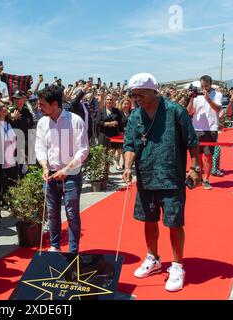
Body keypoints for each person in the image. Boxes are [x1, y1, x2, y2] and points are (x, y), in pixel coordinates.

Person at [123, 73, 201, 292]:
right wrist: (128, 167)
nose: (136, 98)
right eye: (133, 94)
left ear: (153, 91)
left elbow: (191, 141)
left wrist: (195, 167)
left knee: (174, 222)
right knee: (148, 220)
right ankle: (153, 258)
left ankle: (177, 266)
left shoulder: (175, 111)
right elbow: (129, 144)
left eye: (140, 93)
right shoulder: (135, 115)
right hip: (146, 177)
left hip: (171, 177)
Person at [35, 85, 90, 254]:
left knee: (72, 214)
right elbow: (40, 147)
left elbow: (83, 150)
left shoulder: (75, 121)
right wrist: (44, 166)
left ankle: (73, 251)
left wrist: (66, 170)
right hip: (50, 175)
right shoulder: (42, 122)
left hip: (71, 175)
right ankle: (55, 246)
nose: (39, 107)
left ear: (55, 104)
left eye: (42, 104)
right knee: (52, 213)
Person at [187, 75, 222, 190]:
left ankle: (206, 179)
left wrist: (208, 99)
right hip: (196, 129)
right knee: (198, 156)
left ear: (210, 84)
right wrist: (192, 98)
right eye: (202, 86)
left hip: (211, 129)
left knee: (208, 156)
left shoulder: (218, 95)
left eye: (206, 86)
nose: (204, 88)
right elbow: (189, 111)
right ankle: (200, 177)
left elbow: (217, 109)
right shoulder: (196, 96)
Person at [95, 93, 123, 170]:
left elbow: (120, 123)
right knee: (103, 153)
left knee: (111, 153)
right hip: (103, 134)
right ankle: (104, 170)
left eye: (111, 99)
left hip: (113, 135)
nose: (109, 101)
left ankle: (107, 170)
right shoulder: (101, 110)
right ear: (105, 101)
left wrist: (117, 126)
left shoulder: (116, 111)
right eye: (107, 99)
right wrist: (107, 123)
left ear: (113, 101)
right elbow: (97, 122)